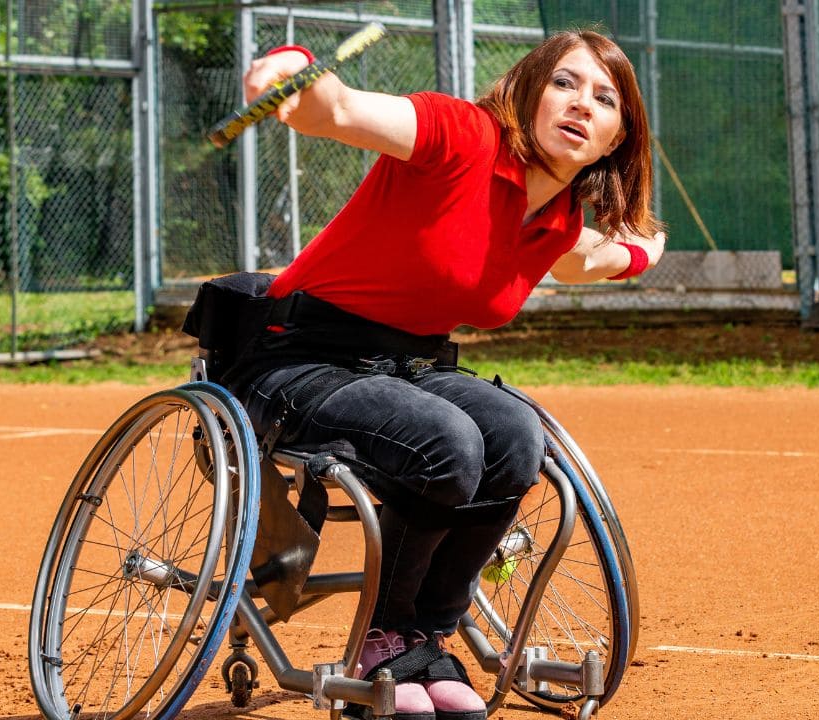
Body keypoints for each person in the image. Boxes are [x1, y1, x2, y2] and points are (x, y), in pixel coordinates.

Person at [229, 29, 665, 720]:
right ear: (526, 91)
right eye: (564, 83)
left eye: (604, 98)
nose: (582, 103)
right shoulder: (459, 134)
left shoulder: (555, 216)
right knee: (449, 441)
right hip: (297, 355)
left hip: (410, 364)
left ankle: (423, 637)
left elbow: (584, 260)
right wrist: (293, 71)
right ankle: (389, 643)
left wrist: (641, 254)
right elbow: (335, 110)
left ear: (617, 137)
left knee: (519, 436)